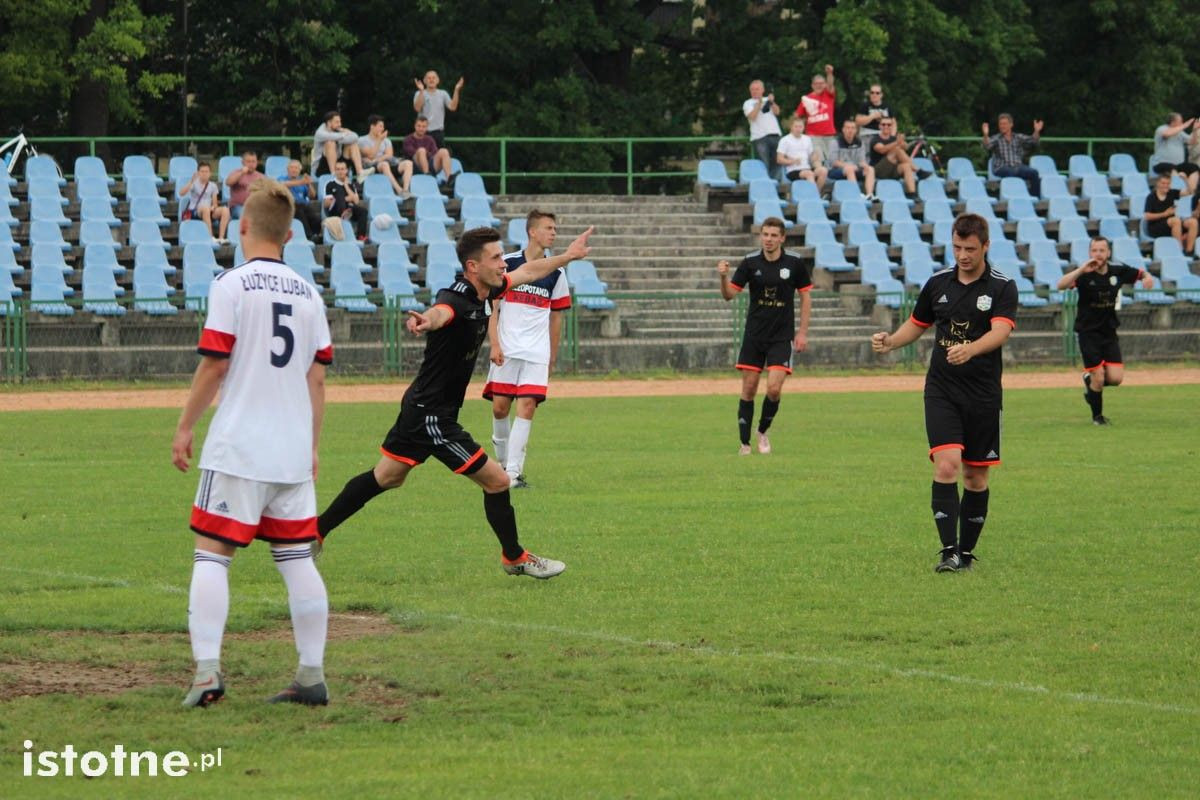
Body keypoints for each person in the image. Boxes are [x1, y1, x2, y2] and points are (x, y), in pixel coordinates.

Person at [314, 225, 594, 579]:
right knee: (497, 481)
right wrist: (426, 322)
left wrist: (568, 256)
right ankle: (515, 557)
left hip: (419, 408)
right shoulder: (458, 298)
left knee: (386, 477)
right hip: (433, 417)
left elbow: (527, 271)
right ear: (473, 267)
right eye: (495, 258)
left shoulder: (488, 290)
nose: (503, 265)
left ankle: (313, 531)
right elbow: (441, 312)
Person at [172, 178, 334, 707]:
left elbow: (215, 363)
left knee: (212, 554)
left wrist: (184, 426)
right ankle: (311, 675)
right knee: (295, 558)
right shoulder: (310, 294)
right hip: (290, 450)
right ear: (288, 236)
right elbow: (317, 380)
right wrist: (311, 447)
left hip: (239, 446)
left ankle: (207, 672)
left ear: (243, 226)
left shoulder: (231, 285)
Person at [870, 213, 1018, 573]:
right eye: (956, 247)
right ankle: (948, 551)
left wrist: (972, 349)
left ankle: (966, 553)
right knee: (948, 464)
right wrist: (890, 342)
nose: (963, 255)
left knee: (975, 477)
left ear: (986, 246)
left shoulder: (1001, 286)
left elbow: (1000, 332)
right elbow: (916, 325)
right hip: (942, 390)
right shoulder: (937, 283)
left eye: (970, 248)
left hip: (983, 394)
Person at [482, 210, 571, 489]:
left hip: (536, 352)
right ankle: (502, 464)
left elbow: (557, 316)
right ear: (532, 231)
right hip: (507, 349)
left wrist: (552, 356)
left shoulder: (556, 273)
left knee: (527, 406)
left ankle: (513, 474)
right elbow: (492, 307)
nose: (553, 233)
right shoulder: (506, 264)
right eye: (549, 228)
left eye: (555, 228)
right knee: (499, 408)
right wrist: (494, 342)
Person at [717, 216, 812, 455]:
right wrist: (722, 277)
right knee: (748, 389)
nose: (768, 239)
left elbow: (805, 297)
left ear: (782, 238)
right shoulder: (750, 263)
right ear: (761, 236)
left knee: (773, 389)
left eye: (773, 235)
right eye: (765, 235)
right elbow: (729, 295)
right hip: (754, 336)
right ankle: (745, 444)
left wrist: (802, 332)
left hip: (781, 337)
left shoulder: (795, 264)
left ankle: (762, 431)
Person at [1056, 236, 1154, 425]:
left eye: (1102, 250)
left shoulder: (1118, 271)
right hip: (1087, 332)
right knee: (1099, 376)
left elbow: (1141, 274)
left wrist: (1148, 278)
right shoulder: (1084, 274)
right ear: (1089, 253)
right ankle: (1097, 417)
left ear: (1108, 253)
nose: (1098, 254)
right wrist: (1081, 270)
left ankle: (1091, 383)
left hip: (1109, 332)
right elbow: (1061, 285)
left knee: (1116, 379)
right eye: (1094, 250)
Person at [982, 113, 1043, 197]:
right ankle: (1015, 196)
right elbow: (987, 145)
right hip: (1001, 167)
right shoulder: (996, 138)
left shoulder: (1018, 137)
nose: (1002, 126)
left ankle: (1034, 198)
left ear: (1011, 124)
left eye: (1005, 124)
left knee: (1034, 173)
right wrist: (985, 135)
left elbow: (1033, 141)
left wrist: (1036, 131)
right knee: (1010, 171)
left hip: (1017, 166)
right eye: (1000, 124)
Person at [359, 114, 414, 198]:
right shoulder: (362, 140)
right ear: (372, 127)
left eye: (383, 126)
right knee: (384, 164)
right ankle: (399, 190)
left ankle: (405, 190)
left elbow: (389, 155)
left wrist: (377, 159)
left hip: (385, 164)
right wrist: (379, 140)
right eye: (380, 126)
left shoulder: (386, 140)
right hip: (372, 168)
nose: (382, 129)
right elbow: (371, 155)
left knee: (408, 163)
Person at [1143, 172, 1198, 252]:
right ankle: (1179, 250)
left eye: (1168, 183)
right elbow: (1147, 216)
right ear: (1158, 183)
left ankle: (1189, 251)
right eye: (1163, 183)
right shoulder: (1151, 197)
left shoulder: (1171, 193)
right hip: (1156, 227)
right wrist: (1165, 214)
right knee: (1175, 220)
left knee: (1193, 222)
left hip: (1172, 224)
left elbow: (1189, 192)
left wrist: (1185, 180)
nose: (1166, 185)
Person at [178, 161, 231, 242]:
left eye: (206, 171)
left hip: (208, 211)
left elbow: (215, 203)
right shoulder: (194, 183)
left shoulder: (213, 185)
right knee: (205, 209)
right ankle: (210, 237)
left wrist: (213, 207)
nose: (204, 173)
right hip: (195, 211)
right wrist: (191, 181)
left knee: (225, 210)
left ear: (210, 173)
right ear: (198, 173)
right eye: (202, 171)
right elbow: (181, 193)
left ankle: (221, 238)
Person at [795, 64, 837, 165]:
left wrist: (829, 73)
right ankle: (818, 176)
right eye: (816, 83)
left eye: (821, 83)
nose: (819, 85)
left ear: (825, 85)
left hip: (829, 134)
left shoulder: (828, 95)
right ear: (812, 85)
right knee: (818, 158)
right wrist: (799, 127)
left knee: (831, 160)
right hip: (813, 135)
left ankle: (828, 179)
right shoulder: (806, 99)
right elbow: (797, 116)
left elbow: (830, 85)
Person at [1149, 113, 1199, 195]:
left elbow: (1193, 141)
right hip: (1161, 164)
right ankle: (1176, 193)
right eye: (1180, 121)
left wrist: (1195, 130)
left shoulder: (1180, 132)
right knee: (1172, 168)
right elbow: (1166, 134)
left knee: (1194, 167)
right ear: (1172, 122)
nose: (1182, 123)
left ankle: (1190, 192)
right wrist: (1185, 126)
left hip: (1178, 165)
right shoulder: (1162, 129)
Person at [412, 71, 463, 150]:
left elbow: (453, 107)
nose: (431, 80)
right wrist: (422, 91)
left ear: (438, 80)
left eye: (433, 78)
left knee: (439, 156)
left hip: (438, 133)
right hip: (423, 131)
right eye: (429, 78)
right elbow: (417, 108)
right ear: (424, 81)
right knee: (423, 157)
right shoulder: (418, 93)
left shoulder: (443, 94)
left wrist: (456, 90)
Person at [743, 79, 783, 181]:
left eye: (757, 89)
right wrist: (758, 105)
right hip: (760, 137)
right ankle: (764, 185)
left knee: (777, 163)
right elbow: (752, 116)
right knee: (763, 163)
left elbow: (777, 112)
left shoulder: (768, 100)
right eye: (752, 89)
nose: (755, 91)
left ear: (762, 90)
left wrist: (772, 102)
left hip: (775, 135)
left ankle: (776, 186)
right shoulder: (748, 103)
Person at [775, 116, 828, 191]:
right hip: (793, 170)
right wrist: (792, 161)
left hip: (807, 168)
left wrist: (815, 158)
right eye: (796, 126)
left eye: (800, 127)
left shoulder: (807, 139)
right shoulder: (784, 140)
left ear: (803, 128)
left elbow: (811, 156)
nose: (798, 129)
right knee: (809, 174)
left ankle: (816, 194)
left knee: (823, 171)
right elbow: (779, 159)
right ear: (791, 127)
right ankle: (814, 196)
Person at [827, 118, 876, 199]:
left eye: (853, 128)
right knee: (850, 169)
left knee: (870, 169)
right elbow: (833, 162)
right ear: (843, 129)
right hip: (835, 170)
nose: (850, 130)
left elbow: (861, 160)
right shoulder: (835, 142)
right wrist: (848, 165)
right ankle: (856, 195)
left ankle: (869, 195)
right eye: (848, 128)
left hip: (854, 168)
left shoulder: (860, 142)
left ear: (856, 130)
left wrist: (864, 165)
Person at [313, 111, 371, 178]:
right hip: (322, 166)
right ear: (329, 123)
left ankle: (360, 172)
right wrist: (344, 133)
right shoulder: (320, 133)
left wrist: (343, 131)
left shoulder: (338, 130)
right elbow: (332, 137)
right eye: (337, 122)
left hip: (338, 161)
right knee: (330, 143)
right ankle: (334, 175)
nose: (340, 124)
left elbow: (355, 137)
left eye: (340, 121)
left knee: (352, 144)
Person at [869, 117, 918, 195]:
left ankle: (912, 193)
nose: (886, 126)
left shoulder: (894, 138)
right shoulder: (875, 139)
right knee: (896, 150)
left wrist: (902, 141)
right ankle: (917, 170)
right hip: (879, 170)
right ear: (879, 126)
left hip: (893, 169)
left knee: (906, 166)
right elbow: (882, 150)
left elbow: (906, 148)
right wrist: (897, 143)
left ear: (892, 126)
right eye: (883, 124)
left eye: (889, 125)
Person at [323, 159, 369, 241]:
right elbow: (327, 203)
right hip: (334, 209)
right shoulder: (330, 184)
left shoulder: (351, 185)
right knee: (339, 193)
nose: (340, 171)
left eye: (342, 169)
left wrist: (346, 186)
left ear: (346, 170)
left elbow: (356, 201)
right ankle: (343, 211)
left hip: (350, 209)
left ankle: (361, 236)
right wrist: (345, 198)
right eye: (338, 169)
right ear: (335, 171)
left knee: (363, 211)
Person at [278, 159, 320, 241]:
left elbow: (312, 196)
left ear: (299, 170)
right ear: (287, 169)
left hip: (303, 205)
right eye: (292, 167)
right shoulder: (282, 178)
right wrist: (301, 182)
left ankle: (316, 235)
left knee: (315, 217)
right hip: (288, 205)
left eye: (296, 168)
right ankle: (309, 236)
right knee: (299, 211)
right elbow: (281, 185)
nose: (294, 170)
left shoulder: (302, 180)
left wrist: (309, 184)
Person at [403, 116, 453, 182]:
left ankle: (449, 178)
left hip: (430, 164)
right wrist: (425, 153)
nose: (421, 129)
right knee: (421, 151)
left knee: (444, 151)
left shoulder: (430, 139)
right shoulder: (408, 139)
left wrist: (426, 154)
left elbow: (435, 153)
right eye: (419, 126)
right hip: (414, 166)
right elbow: (410, 153)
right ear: (415, 126)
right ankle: (427, 176)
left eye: (423, 126)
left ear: (427, 128)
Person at [225, 150, 263, 221]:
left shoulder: (261, 176)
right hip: (237, 207)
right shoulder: (236, 172)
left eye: (253, 161)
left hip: (255, 207)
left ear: (257, 163)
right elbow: (228, 183)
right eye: (248, 161)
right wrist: (242, 173)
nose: (251, 164)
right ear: (243, 162)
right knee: (244, 214)